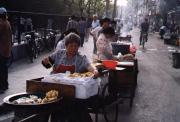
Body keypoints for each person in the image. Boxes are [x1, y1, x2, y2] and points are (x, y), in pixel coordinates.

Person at [42, 33, 98, 122]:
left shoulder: (81, 58)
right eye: (71, 46)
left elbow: (89, 66)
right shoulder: (59, 53)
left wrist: (95, 71)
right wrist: (45, 61)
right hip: (55, 88)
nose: (73, 48)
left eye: (76, 46)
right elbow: (48, 64)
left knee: (75, 107)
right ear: (66, 45)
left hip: (72, 91)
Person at [0, 7, 12, 93]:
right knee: (4, 68)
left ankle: (2, 87)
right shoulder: (8, 23)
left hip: (1, 49)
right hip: (7, 49)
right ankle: (6, 84)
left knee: (1, 68)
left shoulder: (1, 23)